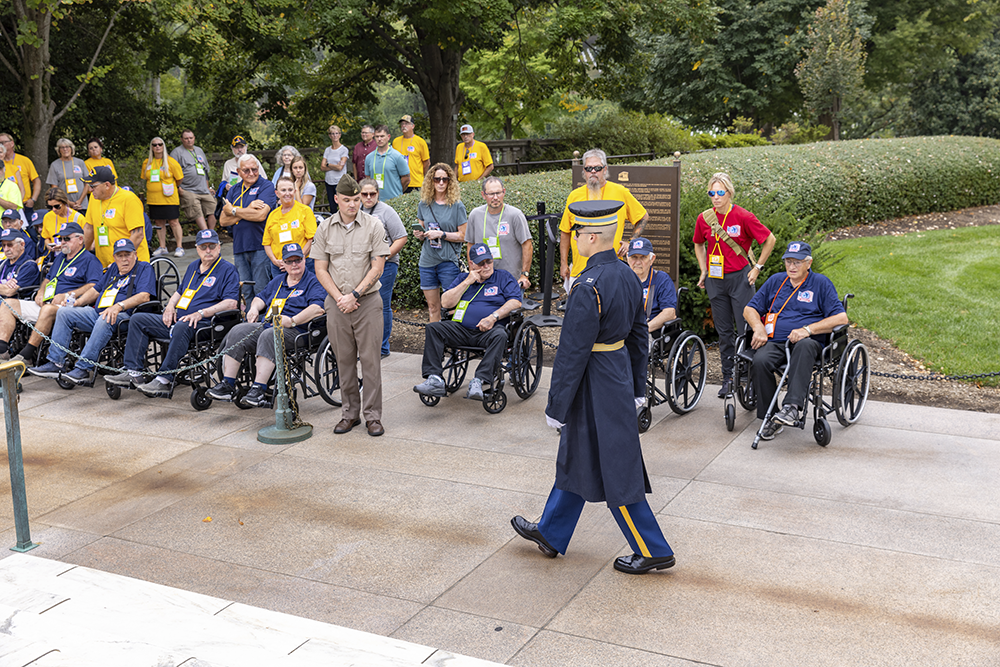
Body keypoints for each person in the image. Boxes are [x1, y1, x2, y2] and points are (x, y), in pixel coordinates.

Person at [511, 201, 676, 575]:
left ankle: (652, 548)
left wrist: (555, 406)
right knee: (578, 454)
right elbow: (638, 337)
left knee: (617, 467)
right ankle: (552, 531)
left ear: (590, 236)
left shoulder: (588, 285)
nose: (574, 241)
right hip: (614, 372)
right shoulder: (627, 276)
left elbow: (571, 353)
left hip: (593, 379)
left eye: (577, 235)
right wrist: (636, 386)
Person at [106, 229, 240, 396]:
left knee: (183, 324)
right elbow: (179, 291)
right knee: (138, 319)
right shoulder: (193, 266)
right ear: (197, 248)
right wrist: (170, 306)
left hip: (207, 323)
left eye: (212, 246)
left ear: (219, 247)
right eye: (203, 246)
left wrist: (201, 313)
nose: (208, 250)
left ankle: (164, 379)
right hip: (180, 320)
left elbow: (231, 303)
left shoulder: (227, 269)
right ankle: (134, 372)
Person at [744, 241, 848, 441]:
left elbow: (841, 319)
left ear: (808, 263)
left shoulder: (820, 283)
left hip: (809, 342)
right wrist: (758, 328)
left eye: (797, 262)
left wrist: (807, 330)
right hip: (776, 341)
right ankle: (771, 417)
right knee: (760, 360)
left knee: (804, 346)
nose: (791, 266)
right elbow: (750, 309)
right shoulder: (776, 281)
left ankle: (791, 407)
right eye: (788, 261)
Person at [310, 174, 389, 437]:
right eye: (347, 200)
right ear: (336, 200)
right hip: (337, 304)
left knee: (370, 362)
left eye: (357, 200)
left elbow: (378, 266)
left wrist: (354, 294)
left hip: (366, 302)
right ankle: (349, 414)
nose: (353, 205)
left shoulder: (373, 225)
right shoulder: (325, 228)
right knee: (343, 361)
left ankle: (373, 416)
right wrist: (339, 297)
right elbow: (320, 268)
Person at [206, 242, 326, 407]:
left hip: (297, 331)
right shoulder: (278, 280)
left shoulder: (313, 281)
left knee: (269, 335)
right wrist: (254, 309)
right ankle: (228, 384)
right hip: (268, 324)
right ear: (283, 263)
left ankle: (259, 389)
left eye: (298, 260)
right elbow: (261, 297)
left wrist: (292, 321)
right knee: (237, 331)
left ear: (304, 259)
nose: (294, 264)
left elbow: (317, 308)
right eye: (289, 261)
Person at [27, 238, 155, 385]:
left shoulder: (144, 268)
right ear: (114, 257)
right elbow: (95, 290)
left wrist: (119, 306)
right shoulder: (113, 268)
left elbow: (144, 296)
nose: (124, 259)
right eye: (120, 255)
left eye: (128, 255)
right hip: (98, 313)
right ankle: (56, 362)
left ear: (135, 254)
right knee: (64, 313)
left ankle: (83, 369)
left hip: (125, 316)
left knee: (105, 317)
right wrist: (77, 302)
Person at [693, 172, 776, 397]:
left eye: (721, 192)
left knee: (746, 329)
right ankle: (728, 378)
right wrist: (703, 269)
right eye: (712, 193)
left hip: (740, 278)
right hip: (716, 280)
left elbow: (770, 239)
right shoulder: (705, 218)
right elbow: (698, 244)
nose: (716, 197)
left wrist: (757, 267)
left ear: (729, 193)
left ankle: (750, 378)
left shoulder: (743, 216)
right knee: (724, 332)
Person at [413, 242, 522, 401]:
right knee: (434, 328)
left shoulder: (503, 277)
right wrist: (467, 282)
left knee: (500, 335)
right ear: (471, 264)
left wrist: (493, 317)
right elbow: (445, 303)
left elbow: (515, 302)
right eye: (480, 263)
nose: (486, 266)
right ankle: (434, 379)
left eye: (488, 261)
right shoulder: (463, 278)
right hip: (461, 330)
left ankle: (479, 380)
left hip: (489, 331)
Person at [0, 221, 103, 363]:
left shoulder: (90, 259)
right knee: (8, 304)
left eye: (67, 238)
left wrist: (68, 295)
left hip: (70, 306)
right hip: (48, 302)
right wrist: (41, 292)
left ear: (80, 239)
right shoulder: (60, 257)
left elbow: (95, 285)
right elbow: (48, 279)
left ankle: (27, 355)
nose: (62, 242)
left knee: (47, 309)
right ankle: (2, 351)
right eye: (60, 239)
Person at [559, 148, 648, 292]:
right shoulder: (574, 196)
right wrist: (563, 264)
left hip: (611, 271)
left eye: (597, 168)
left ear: (605, 169)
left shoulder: (620, 192)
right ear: (584, 171)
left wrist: (631, 241)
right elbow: (565, 232)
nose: (593, 171)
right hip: (580, 270)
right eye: (589, 168)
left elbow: (643, 216)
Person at [359, 178, 407, 358]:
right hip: (363, 266)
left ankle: (382, 347)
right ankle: (366, 345)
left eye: (372, 193)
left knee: (381, 305)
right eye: (365, 194)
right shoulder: (357, 211)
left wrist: (385, 256)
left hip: (385, 266)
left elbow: (401, 237)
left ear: (378, 194)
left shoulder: (387, 211)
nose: (369, 197)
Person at [220, 154, 278, 303]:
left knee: (261, 289)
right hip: (239, 246)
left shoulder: (266, 186)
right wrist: (248, 209)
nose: (251, 173)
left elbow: (260, 215)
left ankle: (261, 322)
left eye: (254, 169)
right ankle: (248, 324)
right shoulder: (234, 190)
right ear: (238, 172)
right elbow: (222, 220)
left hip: (260, 245)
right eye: (246, 170)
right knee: (245, 290)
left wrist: (234, 210)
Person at [414, 163, 467, 323]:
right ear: (431, 181)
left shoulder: (457, 206)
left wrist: (442, 234)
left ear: (450, 181)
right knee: (433, 307)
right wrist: (419, 234)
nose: (441, 183)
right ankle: (436, 345)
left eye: (445, 179)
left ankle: (454, 344)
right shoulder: (424, 204)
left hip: (448, 262)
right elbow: (421, 230)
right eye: (437, 179)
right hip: (427, 261)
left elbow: (464, 235)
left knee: (451, 307)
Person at [464, 176, 532, 291]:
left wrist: (524, 274)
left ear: (504, 192)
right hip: (483, 279)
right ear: (483, 195)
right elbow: (470, 245)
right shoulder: (475, 215)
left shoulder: (515, 215)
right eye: (491, 194)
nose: (495, 197)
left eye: (498, 193)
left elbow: (527, 245)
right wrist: (472, 271)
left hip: (511, 280)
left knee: (510, 309)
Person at [81, 167, 150, 268]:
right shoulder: (94, 198)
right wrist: (81, 256)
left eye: (93, 186)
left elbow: (138, 235)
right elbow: (88, 229)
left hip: (130, 265)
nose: (90, 189)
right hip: (104, 265)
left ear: (107, 185)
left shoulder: (129, 199)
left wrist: (122, 261)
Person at [262, 176, 316, 279]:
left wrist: (296, 260)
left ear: (295, 191)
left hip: (301, 264)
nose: (287, 193)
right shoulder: (272, 215)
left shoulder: (305, 211)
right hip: (279, 267)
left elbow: (311, 239)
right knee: (281, 294)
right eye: (283, 190)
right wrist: (275, 261)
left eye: (290, 190)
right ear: (277, 193)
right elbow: (267, 243)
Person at [141, 136, 186, 258]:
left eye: (160, 144)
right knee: (158, 222)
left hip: (169, 197)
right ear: (151, 147)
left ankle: (179, 247)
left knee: (173, 222)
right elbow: (145, 177)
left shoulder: (171, 161)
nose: (157, 147)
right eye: (154, 145)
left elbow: (180, 178)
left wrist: (170, 186)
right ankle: (162, 247)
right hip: (153, 199)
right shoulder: (147, 162)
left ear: (163, 146)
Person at [626, 238, 677, 333]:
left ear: (652, 259)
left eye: (643, 257)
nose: (637, 262)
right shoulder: (622, 279)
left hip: (651, 331)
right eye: (634, 257)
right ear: (627, 257)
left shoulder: (662, 279)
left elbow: (670, 313)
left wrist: (643, 330)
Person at [170, 129, 216, 231]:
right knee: (196, 211)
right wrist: (178, 188)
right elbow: (171, 173)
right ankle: (205, 234)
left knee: (213, 208)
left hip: (203, 188)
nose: (189, 140)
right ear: (182, 139)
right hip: (188, 189)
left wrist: (207, 187)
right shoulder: (176, 152)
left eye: (191, 138)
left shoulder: (199, 150)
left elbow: (205, 171)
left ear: (194, 138)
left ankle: (212, 234)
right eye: (186, 138)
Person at [364, 125, 409, 200]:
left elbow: (406, 178)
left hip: (394, 201)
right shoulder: (369, 157)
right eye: (377, 136)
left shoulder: (397, 156)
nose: (379, 139)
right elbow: (368, 179)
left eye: (382, 136)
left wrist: (397, 190)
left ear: (388, 137)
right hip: (374, 201)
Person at [0, 133, 41, 217]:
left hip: (24, 205)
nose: (1, 145)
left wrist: (32, 200)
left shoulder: (24, 161)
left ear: (12, 143)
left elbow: (36, 180)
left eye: (3, 142)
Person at [45, 138, 89, 212]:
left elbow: (87, 183)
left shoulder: (80, 162)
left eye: (67, 147)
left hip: (82, 205)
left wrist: (80, 201)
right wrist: (68, 202)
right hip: (64, 206)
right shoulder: (55, 165)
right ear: (59, 150)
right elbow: (54, 189)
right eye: (62, 147)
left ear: (71, 148)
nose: (65, 149)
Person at [392, 115, 430, 193]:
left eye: (406, 123)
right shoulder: (396, 141)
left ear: (413, 126)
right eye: (402, 124)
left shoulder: (420, 142)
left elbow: (426, 163)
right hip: (399, 182)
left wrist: (422, 176)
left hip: (416, 182)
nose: (403, 126)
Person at [0, 229, 41, 298]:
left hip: (15, 304)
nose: (6, 249)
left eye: (10, 245)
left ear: (22, 245)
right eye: (4, 245)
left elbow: (9, 291)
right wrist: (4, 285)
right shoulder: (3, 263)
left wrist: (5, 287)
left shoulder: (29, 266)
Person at [40, 187, 84, 251]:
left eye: (57, 206)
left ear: (64, 202)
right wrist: (49, 246)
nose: (53, 209)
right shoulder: (47, 217)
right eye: (50, 207)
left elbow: (85, 241)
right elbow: (46, 238)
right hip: (55, 255)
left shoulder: (79, 218)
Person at [320, 126, 349, 210]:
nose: (335, 135)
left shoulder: (344, 150)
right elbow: (322, 167)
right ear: (330, 136)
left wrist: (328, 164)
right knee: (332, 206)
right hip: (329, 181)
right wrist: (335, 166)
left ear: (340, 135)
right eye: (332, 134)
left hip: (339, 182)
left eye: (336, 133)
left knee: (342, 205)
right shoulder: (327, 150)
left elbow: (340, 167)